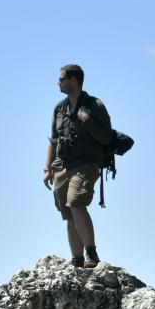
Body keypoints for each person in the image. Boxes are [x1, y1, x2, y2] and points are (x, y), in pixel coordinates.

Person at [43, 64, 112, 268]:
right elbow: (54, 142)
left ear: (74, 80)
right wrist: (47, 169)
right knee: (68, 211)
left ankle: (91, 253)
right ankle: (77, 259)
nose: (58, 82)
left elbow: (106, 138)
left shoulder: (94, 105)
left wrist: (87, 119)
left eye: (62, 79)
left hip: (86, 163)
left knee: (75, 202)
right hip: (62, 165)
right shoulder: (59, 108)